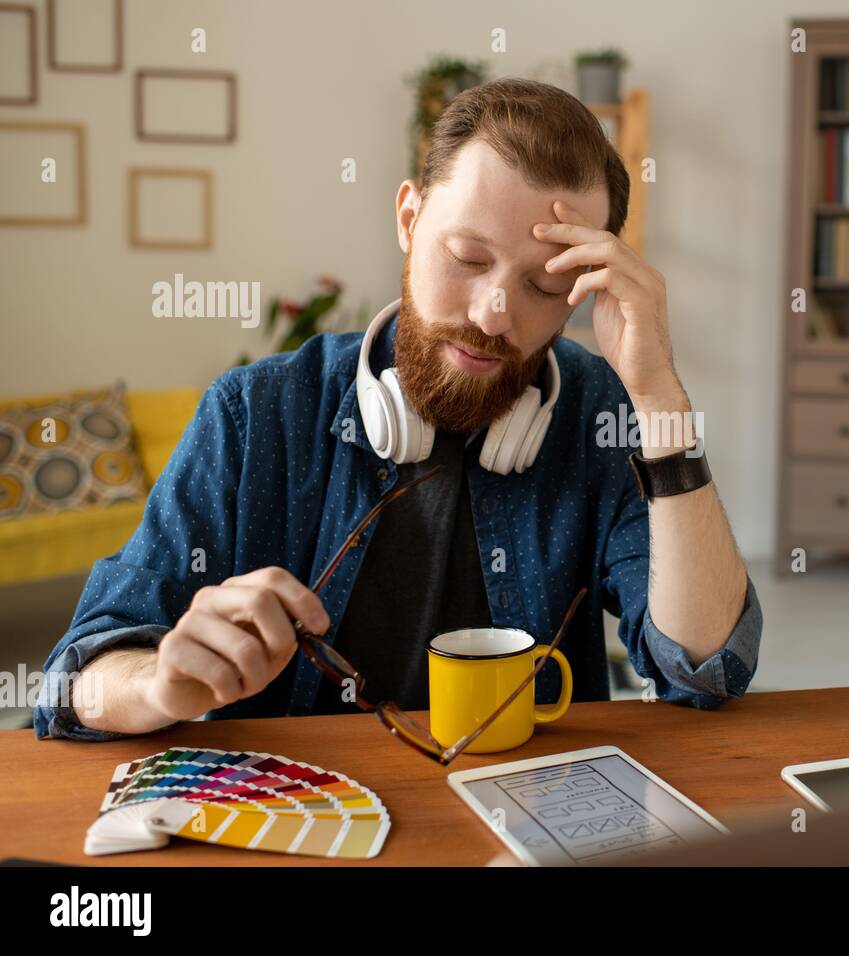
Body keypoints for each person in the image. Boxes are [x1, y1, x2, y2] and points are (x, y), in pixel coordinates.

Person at [35, 77, 761, 741]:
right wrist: (156, 682)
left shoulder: (601, 411)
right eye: (469, 259)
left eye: (544, 286)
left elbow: (705, 668)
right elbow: (75, 681)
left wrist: (660, 391)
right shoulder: (255, 413)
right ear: (409, 219)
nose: (493, 313)